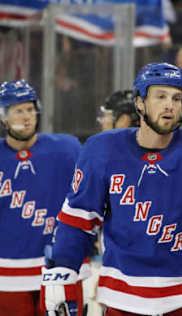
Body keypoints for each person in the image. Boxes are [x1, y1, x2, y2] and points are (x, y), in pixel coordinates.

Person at [41, 63, 182, 316]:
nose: (170, 105)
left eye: (176, 98)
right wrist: (64, 271)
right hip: (126, 298)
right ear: (140, 103)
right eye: (161, 96)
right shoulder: (102, 150)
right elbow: (78, 219)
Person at [0, 79, 83, 315]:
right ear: (4, 117)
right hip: (6, 275)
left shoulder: (68, 149)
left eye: (30, 109)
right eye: (17, 111)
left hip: (61, 270)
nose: (26, 116)